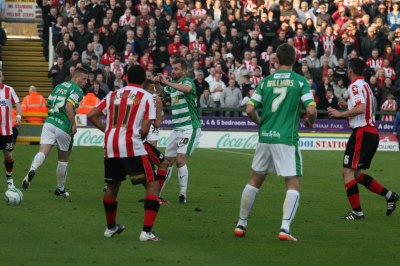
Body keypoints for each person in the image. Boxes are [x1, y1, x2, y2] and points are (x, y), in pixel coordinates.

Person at [233, 43, 317, 241]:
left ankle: (241, 223)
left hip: (265, 137)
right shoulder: (300, 81)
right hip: (286, 138)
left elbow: (250, 109)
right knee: (293, 184)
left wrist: (261, 124)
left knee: (254, 180)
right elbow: (311, 110)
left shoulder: (265, 81)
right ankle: (285, 229)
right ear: (295, 60)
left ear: (276, 60)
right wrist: (310, 122)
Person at [87, 65, 161, 241]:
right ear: (144, 80)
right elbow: (144, 131)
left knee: (112, 187)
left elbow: (92, 114)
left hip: (111, 146)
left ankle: (110, 228)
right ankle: (146, 232)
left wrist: (107, 131)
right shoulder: (147, 97)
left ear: (126, 77)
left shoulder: (113, 94)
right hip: (131, 146)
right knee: (152, 185)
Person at [327, 58, 399, 220]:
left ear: (350, 70)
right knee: (356, 174)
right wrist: (348, 108)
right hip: (371, 132)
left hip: (362, 132)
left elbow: (361, 108)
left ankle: (357, 213)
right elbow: (364, 107)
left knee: (347, 172)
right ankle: (389, 196)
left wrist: (340, 113)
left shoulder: (354, 86)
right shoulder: (366, 86)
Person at [21, 67, 88, 197]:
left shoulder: (59, 86)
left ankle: (33, 169)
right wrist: (73, 125)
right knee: (63, 159)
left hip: (49, 122)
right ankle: (60, 188)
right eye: (84, 78)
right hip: (64, 126)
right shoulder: (78, 91)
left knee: (42, 151)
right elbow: (69, 106)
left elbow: (48, 103)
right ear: (75, 77)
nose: (86, 82)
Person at [157, 57, 202, 204]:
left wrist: (167, 82)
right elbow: (162, 94)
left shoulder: (187, 81)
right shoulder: (173, 85)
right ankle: (157, 194)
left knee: (180, 159)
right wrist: (157, 83)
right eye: (172, 68)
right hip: (176, 129)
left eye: (176, 69)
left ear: (184, 70)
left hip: (190, 127)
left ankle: (182, 194)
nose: (173, 71)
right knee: (166, 162)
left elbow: (187, 89)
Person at [0, 70, 22, 189]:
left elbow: (18, 104)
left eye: (0, 75)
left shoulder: (9, 90)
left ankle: (9, 178)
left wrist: (18, 116)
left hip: (7, 131)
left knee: (8, 155)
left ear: (2, 77)